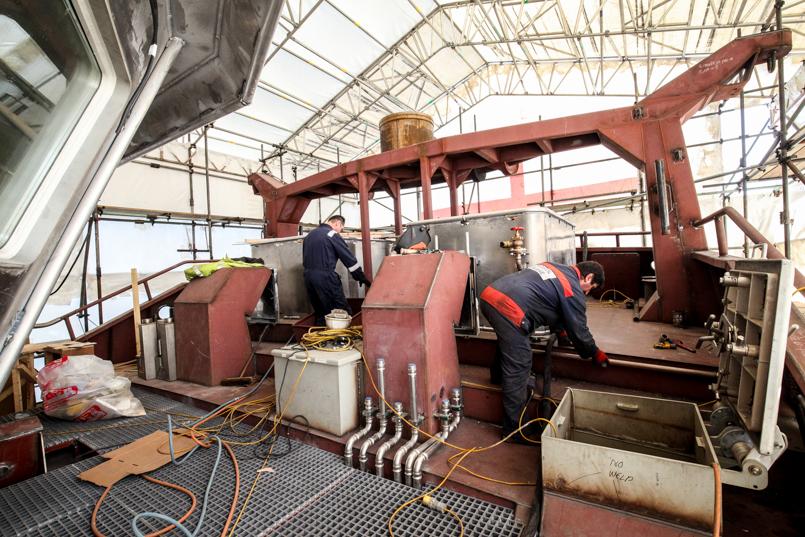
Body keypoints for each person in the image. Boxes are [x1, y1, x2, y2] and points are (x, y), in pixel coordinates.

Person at [479, 260, 607, 441]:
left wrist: (561, 332)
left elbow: (550, 302)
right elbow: (579, 330)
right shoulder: (572, 288)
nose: (586, 293)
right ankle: (515, 430)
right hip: (509, 308)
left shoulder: (553, 267)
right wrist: (593, 352)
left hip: (489, 296)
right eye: (590, 288)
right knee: (520, 363)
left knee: (510, 339)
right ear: (588, 277)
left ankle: (498, 376)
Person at [303, 215, 371, 325]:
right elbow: (348, 258)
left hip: (308, 277)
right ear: (337, 223)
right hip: (325, 277)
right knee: (340, 310)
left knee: (321, 311)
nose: (340, 231)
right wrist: (360, 276)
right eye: (341, 228)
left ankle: (321, 333)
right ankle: (344, 334)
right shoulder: (332, 234)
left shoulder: (310, 235)